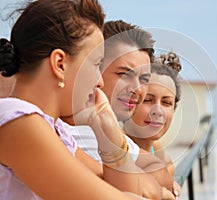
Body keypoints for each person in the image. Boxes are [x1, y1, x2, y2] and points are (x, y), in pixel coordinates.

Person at [0, 0, 161, 199]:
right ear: (59, 64)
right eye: (95, 64)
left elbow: (131, 189)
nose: (99, 81)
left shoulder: (54, 131)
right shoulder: (18, 121)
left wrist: (105, 126)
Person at [67, 19, 176, 197]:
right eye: (124, 74)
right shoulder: (79, 129)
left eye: (144, 79)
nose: (137, 89)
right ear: (95, 69)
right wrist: (155, 189)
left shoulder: (106, 127)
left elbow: (161, 173)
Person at [123, 52, 182, 198]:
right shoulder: (115, 146)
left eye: (167, 103)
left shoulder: (161, 156)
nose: (158, 110)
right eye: (148, 100)